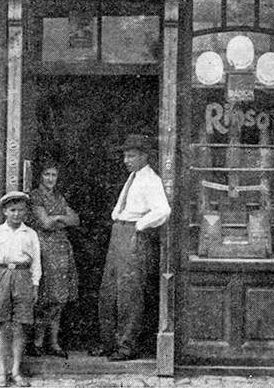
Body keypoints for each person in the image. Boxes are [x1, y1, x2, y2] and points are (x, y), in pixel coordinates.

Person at [97, 134, 171, 361]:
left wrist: (139, 225)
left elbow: (163, 210)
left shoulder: (151, 180)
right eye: (125, 156)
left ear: (144, 156)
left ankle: (126, 346)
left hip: (133, 235)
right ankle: (109, 343)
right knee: (109, 290)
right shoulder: (133, 177)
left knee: (129, 293)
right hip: (119, 233)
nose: (126, 160)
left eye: (131, 156)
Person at [0, 191, 41, 387]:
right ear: (5, 212)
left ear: (26, 212)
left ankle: (16, 370)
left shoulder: (30, 234)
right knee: (2, 325)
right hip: (2, 276)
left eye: (21, 210)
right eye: (12, 210)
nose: (16, 214)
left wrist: (35, 284)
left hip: (23, 277)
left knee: (20, 326)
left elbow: (36, 262)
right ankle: (2, 371)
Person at [29, 161, 79, 358]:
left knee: (60, 300)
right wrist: (61, 218)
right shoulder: (35, 196)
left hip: (62, 249)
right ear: (40, 176)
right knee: (47, 298)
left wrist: (56, 217)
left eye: (54, 175)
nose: (50, 179)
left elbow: (76, 220)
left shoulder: (59, 196)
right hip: (46, 249)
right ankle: (38, 342)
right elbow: (46, 223)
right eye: (47, 174)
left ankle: (54, 343)